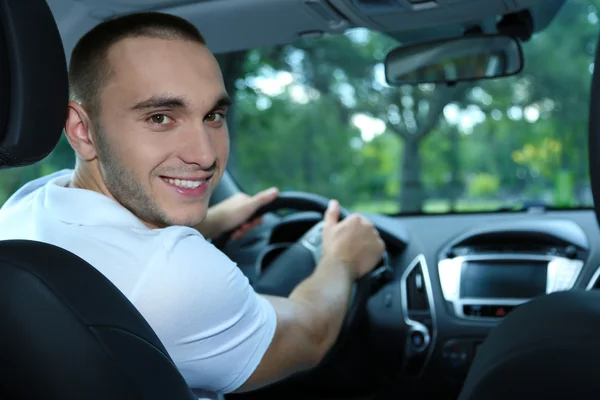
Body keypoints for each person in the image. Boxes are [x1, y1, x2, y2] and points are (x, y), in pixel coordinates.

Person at [0, 11, 385, 399]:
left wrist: (214, 221)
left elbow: (121, 246)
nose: (204, 155)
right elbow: (309, 335)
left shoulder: (29, 205)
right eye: (161, 117)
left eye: (213, 116)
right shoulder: (178, 275)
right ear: (83, 130)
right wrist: (342, 259)